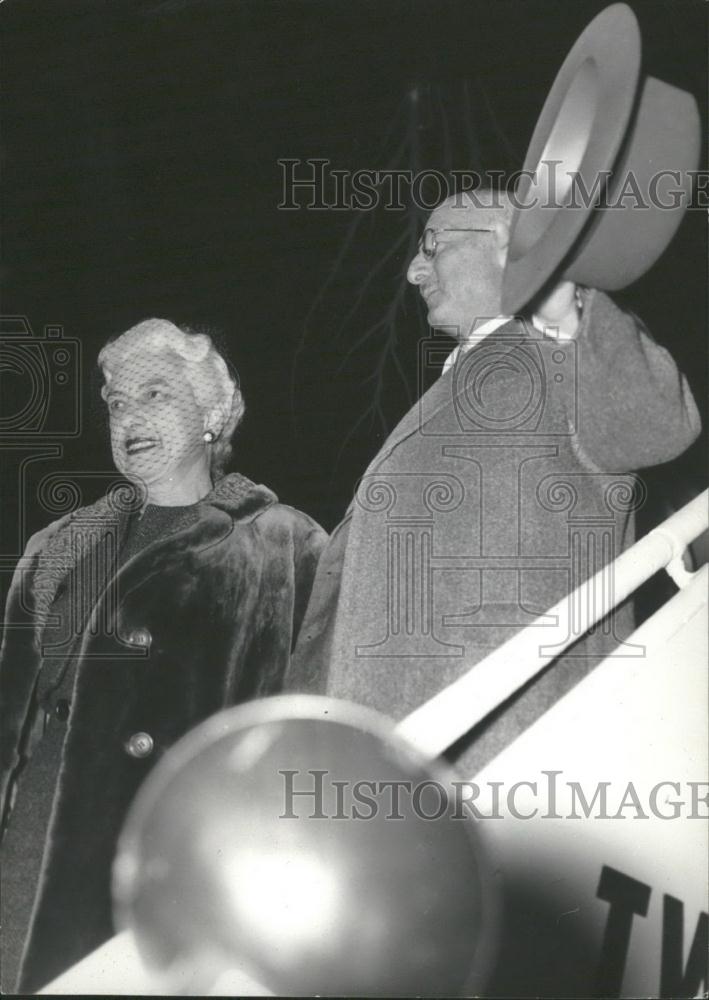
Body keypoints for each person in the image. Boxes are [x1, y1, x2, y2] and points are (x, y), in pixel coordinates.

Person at [286, 189, 701, 769]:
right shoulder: (450, 390)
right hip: (399, 769)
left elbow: (656, 425)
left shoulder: (558, 344)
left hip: (515, 753)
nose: (412, 271)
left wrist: (566, 304)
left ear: (510, 243)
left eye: (433, 245)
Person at [0, 318, 327, 992]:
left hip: (165, 866)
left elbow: (305, 741)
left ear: (214, 412)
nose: (128, 417)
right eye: (116, 402)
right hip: (30, 848)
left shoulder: (284, 546)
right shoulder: (61, 543)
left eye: (154, 395)